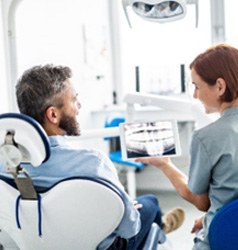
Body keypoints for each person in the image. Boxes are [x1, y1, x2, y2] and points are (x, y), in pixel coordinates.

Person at [0, 64, 185, 250]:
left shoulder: (5, 165)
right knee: (150, 203)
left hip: (37, 242)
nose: (79, 105)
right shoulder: (93, 163)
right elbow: (130, 229)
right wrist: (128, 208)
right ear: (53, 114)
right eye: (74, 100)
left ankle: (162, 227)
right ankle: (161, 227)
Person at [136, 43, 238, 249]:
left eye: (197, 86)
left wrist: (164, 165)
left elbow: (201, 202)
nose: (195, 95)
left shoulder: (206, 138)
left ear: (220, 87)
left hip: (222, 239)